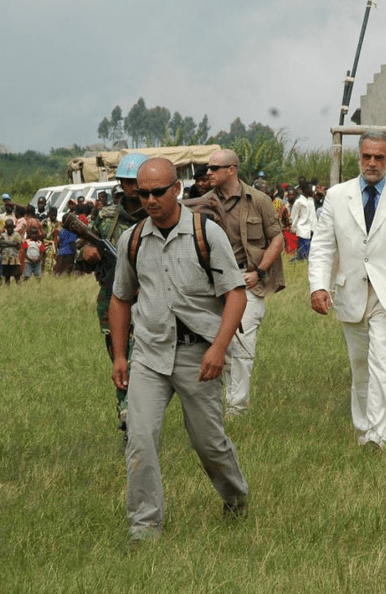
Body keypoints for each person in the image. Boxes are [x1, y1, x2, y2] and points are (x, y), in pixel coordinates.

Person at [109, 158, 249, 542]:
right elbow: (120, 298)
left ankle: (235, 497)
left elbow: (236, 294)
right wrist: (120, 356)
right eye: (143, 193)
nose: (150, 200)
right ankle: (144, 526)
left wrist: (218, 348)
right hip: (149, 354)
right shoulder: (132, 240)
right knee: (139, 438)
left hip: (198, 355)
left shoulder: (207, 234)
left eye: (158, 192)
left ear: (177, 189)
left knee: (209, 443)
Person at [308, 130, 386, 449]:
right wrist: (318, 286)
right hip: (350, 291)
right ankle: (363, 428)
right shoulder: (337, 196)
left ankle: (380, 434)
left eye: (379, 157)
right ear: (358, 157)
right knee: (360, 364)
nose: (372, 163)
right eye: (366, 156)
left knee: (383, 362)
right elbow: (322, 247)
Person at [202, 149, 285, 417]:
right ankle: (214, 408)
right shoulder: (204, 203)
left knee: (241, 347)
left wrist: (259, 272)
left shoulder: (258, 200)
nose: (209, 173)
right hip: (213, 283)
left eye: (214, 168)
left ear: (231, 170)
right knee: (215, 344)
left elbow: (277, 238)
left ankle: (236, 410)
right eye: (208, 168)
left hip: (246, 280)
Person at [81, 152, 148, 441]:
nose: (132, 188)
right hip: (112, 300)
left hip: (150, 302)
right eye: (126, 181)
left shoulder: (159, 216)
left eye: (136, 181)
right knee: (121, 360)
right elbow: (84, 255)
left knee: (143, 363)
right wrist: (88, 253)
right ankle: (127, 416)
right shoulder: (106, 217)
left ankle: (137, 417)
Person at [290, 183, 317, 261]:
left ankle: (303, 257)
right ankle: (302, 257)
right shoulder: (299, 201)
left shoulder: (311, 200)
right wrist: (294, 227)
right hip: (302, 227)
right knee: (304, 247)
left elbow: (313, 215)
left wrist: (315, 226)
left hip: (312, 227)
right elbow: (295, 215)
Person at [0, 219, 22, 285]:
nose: (9, 229)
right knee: (7, 277)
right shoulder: (3, 235)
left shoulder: (17, 235)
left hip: (14, 259)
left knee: (17, 276)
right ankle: (7, 289)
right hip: (5, 259)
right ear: (5, 227)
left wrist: (6, 243)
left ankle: (19, 288)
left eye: (11, 227)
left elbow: (18, 245)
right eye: (8, 227)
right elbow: (1, 244)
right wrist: (13, 243)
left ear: (13, 227)